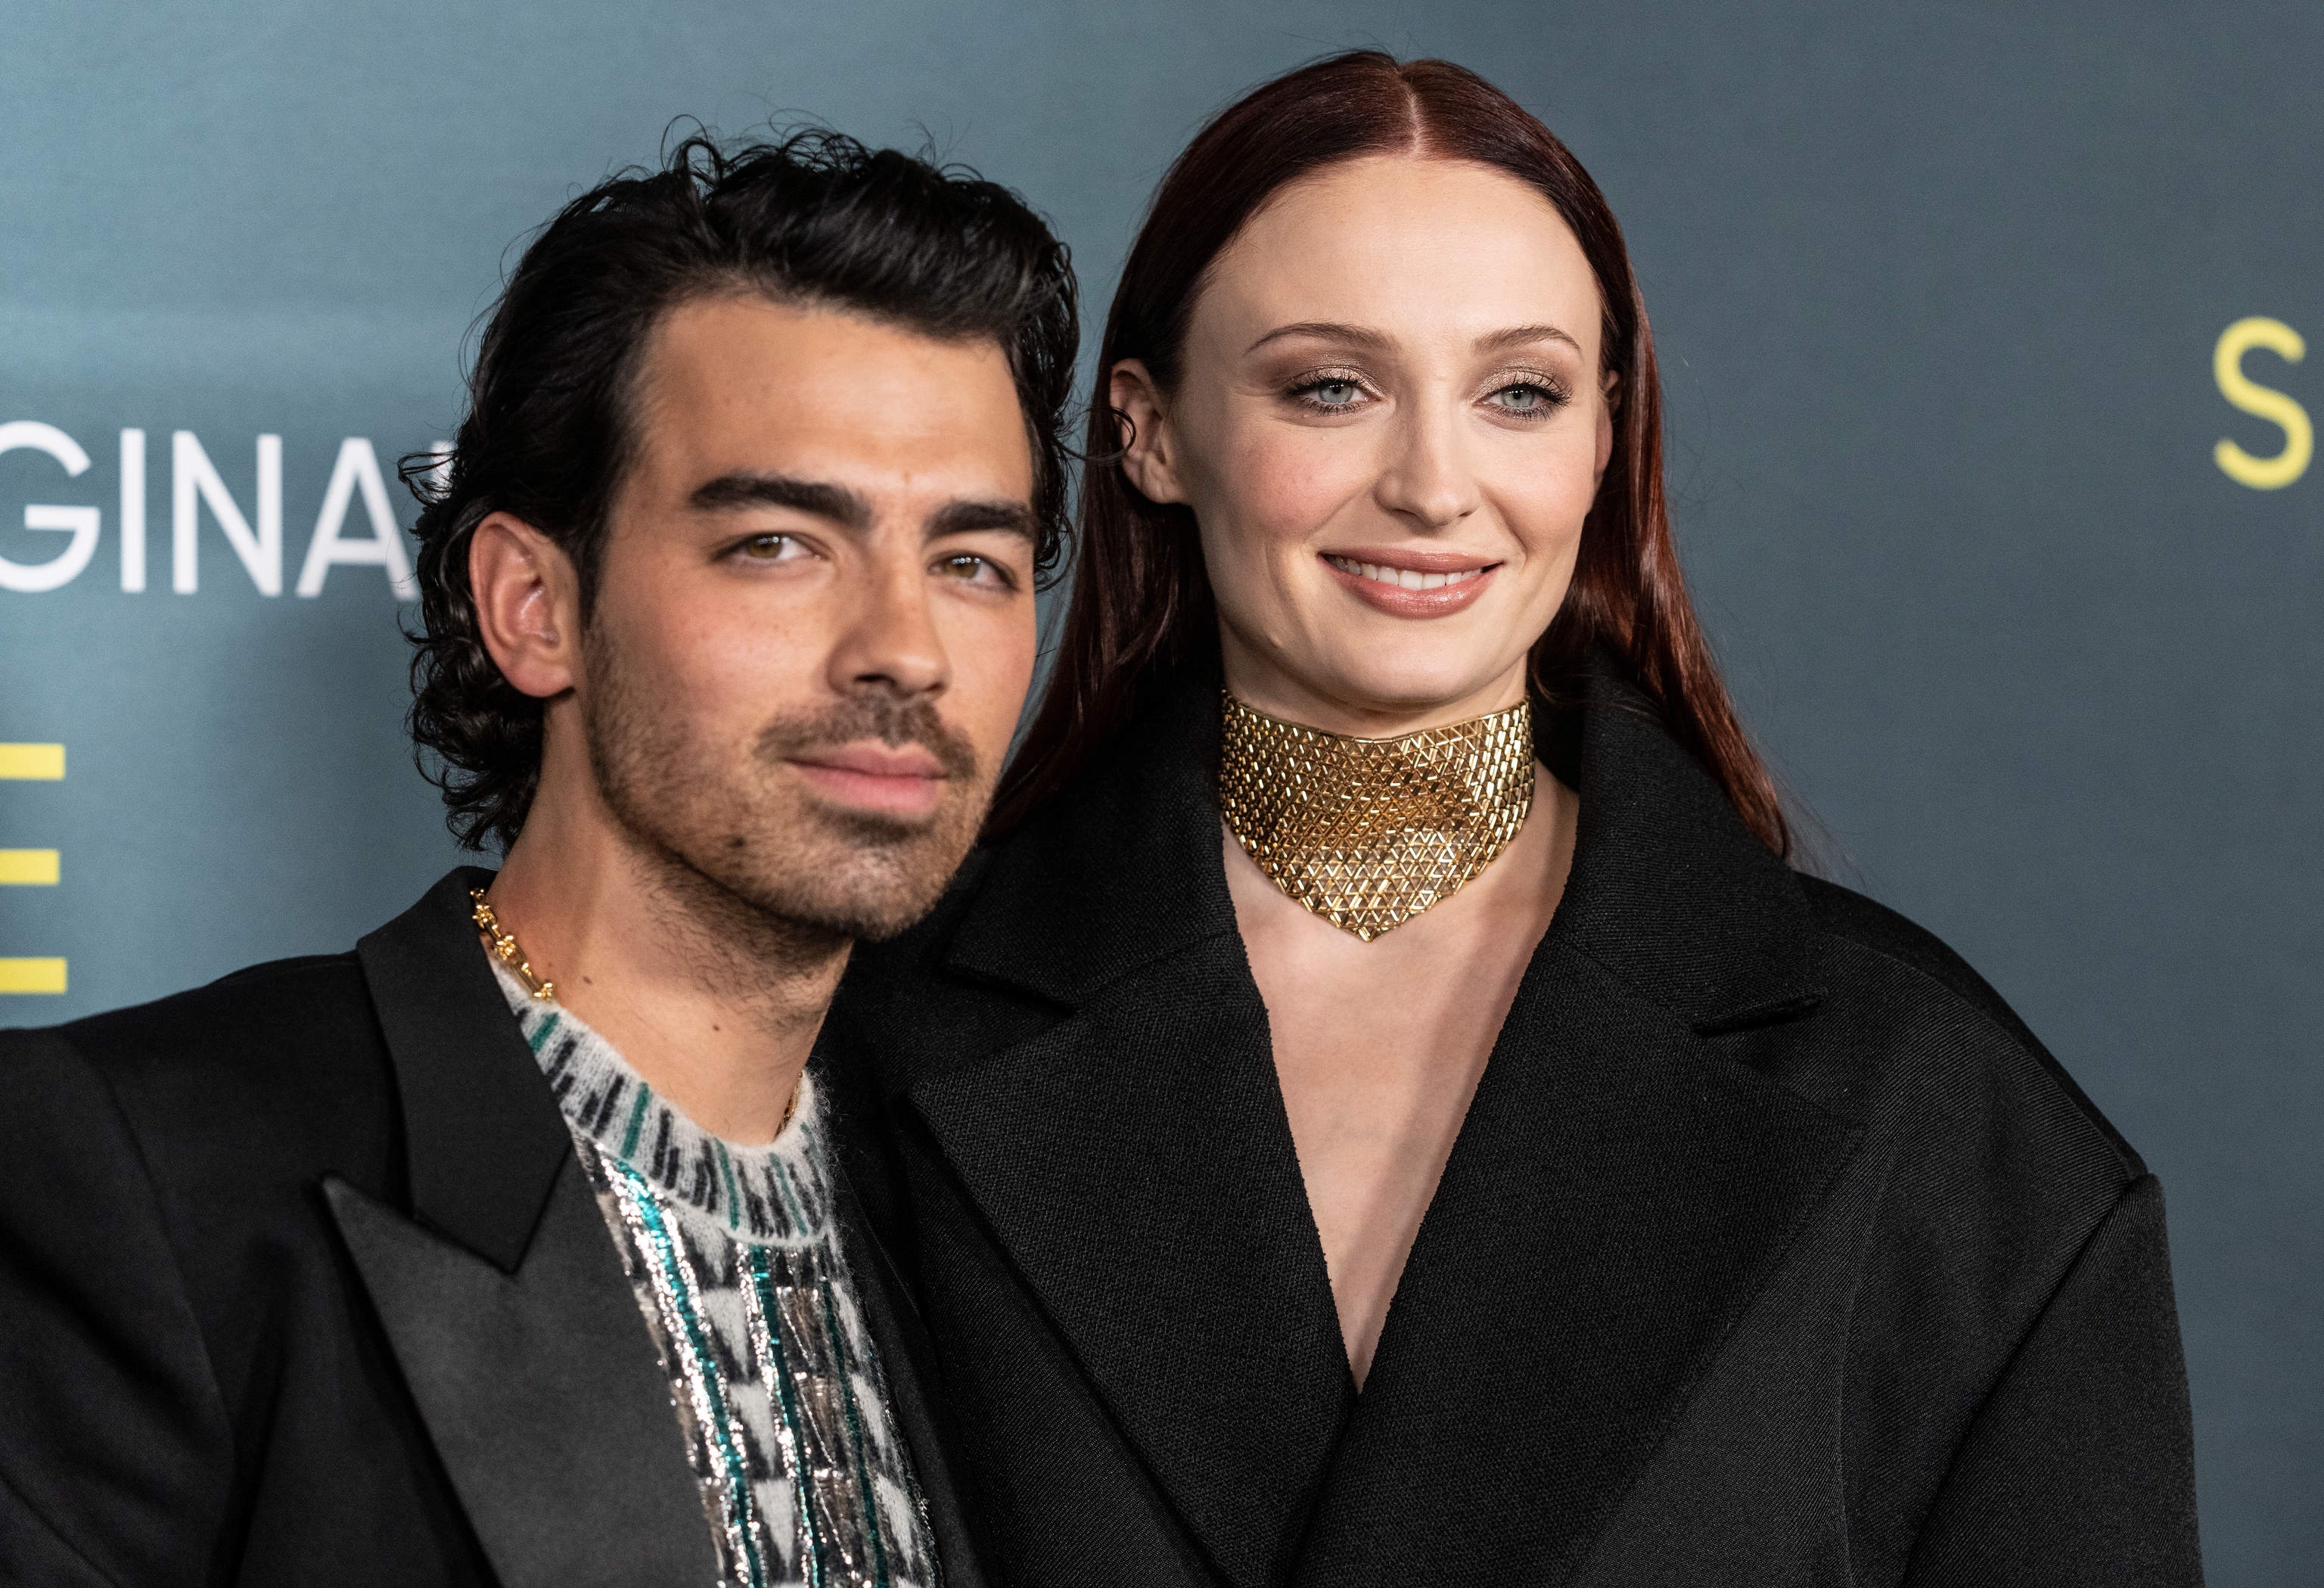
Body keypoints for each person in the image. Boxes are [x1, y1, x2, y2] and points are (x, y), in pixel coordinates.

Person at [822, 51, 2204, 1586]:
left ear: (1603, 441)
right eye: (1329, 387)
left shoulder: (1940, 1113)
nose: (1432, 483)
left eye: (1519, 394)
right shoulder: (872, 1047)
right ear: (1148, 432)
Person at [0, 129, 1074, 1587]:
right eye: (778, 543)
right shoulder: (137, 1178)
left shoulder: (988, 1245)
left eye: (973, 564)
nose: (904, 647)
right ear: (532, 605)